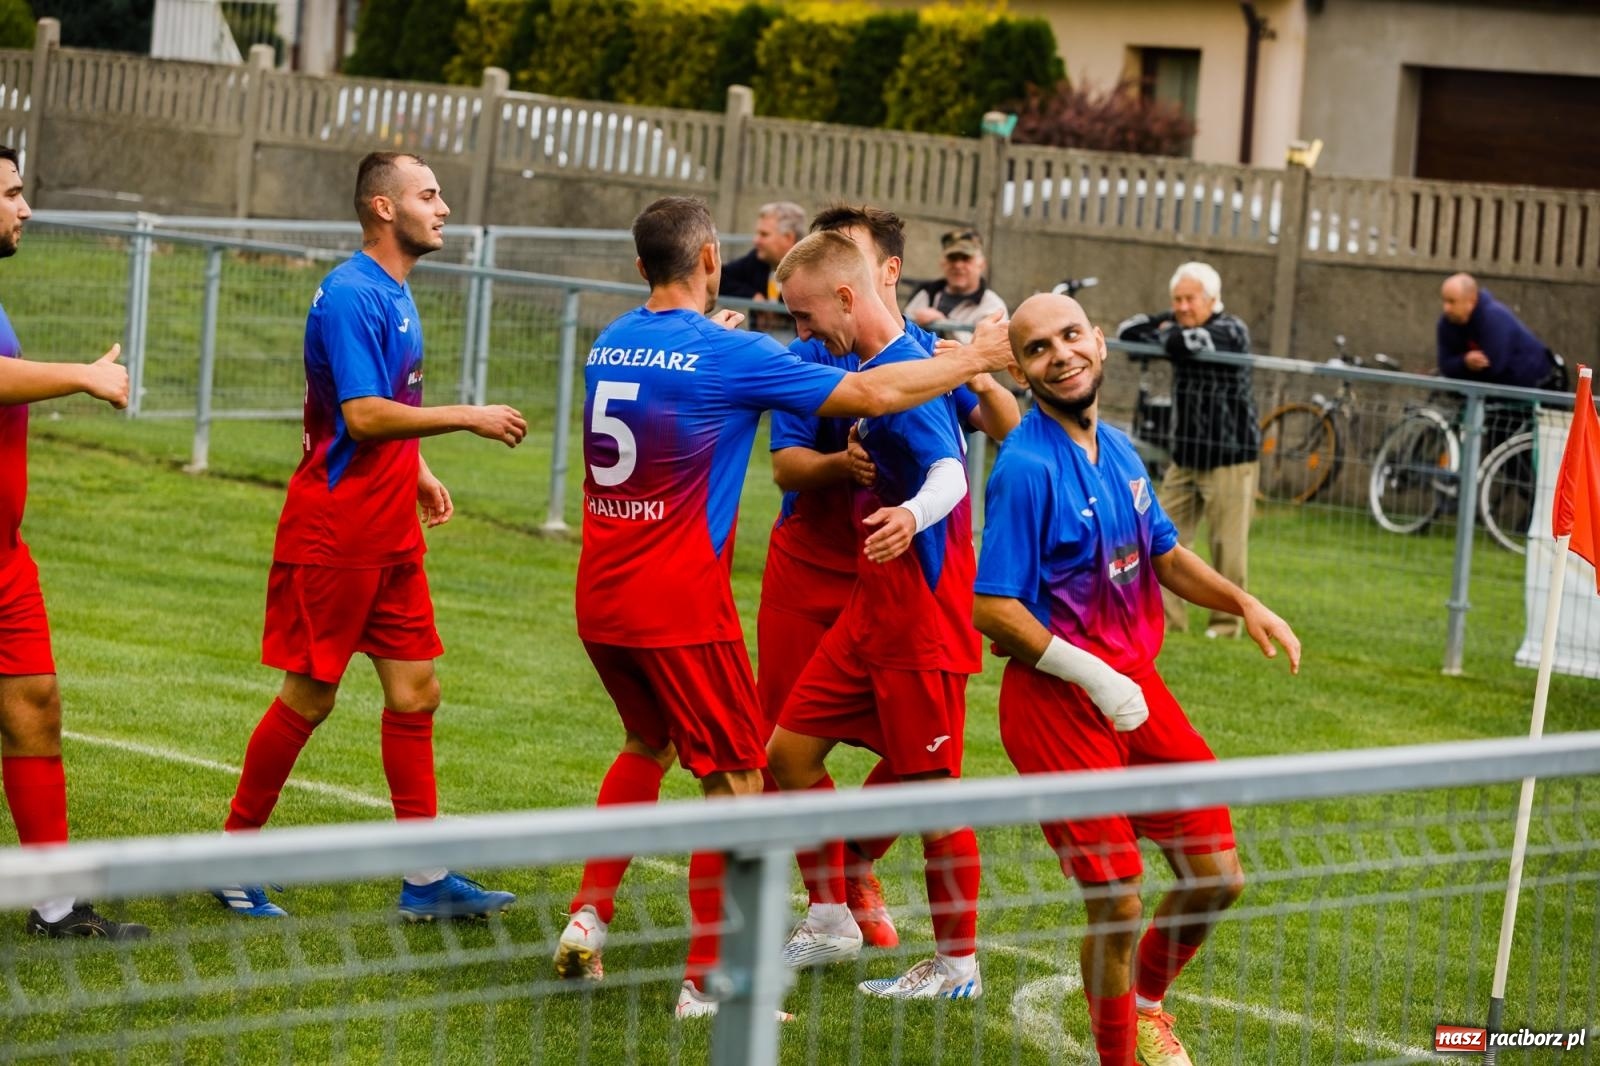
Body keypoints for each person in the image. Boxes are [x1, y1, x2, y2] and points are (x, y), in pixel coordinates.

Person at [552, 197, 1013, 1019]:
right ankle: (714, 982)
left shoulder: (612, 337)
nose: (797, 325)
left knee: (658, 744)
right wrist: (979, 354)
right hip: (683, 605)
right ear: (706, 265)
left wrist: (972, 376)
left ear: (640, 269)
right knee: (736, 781)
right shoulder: (734, 355)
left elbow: (966, 442)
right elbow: (870, 399)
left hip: (601, 598)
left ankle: (594, 911)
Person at [974, 291, 1300, 1066]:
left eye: (1072, 336)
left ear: (1100, 343)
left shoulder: (1118, 450)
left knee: (1218, 876)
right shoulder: (1024, 467)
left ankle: (1146, 1005)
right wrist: (1092, 675)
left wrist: (1244, 600)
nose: (1062, 355)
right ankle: (1119, 1054)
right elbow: (993, 609)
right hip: (1057, 707)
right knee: (1117, 901)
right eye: (1041, 348)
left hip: (1135, 693)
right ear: (1021, 370)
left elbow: (1164, 553)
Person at [213, 152, 527, 921]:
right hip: (337, 529)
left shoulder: (394, 292)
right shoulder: (355, 293)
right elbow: (359, 414)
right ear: (384, 209)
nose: (444, 206)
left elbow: (376, 409)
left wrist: (414, 469)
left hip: (387, 527)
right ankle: (229, 860)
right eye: (429, 194)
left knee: (416, 693)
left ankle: (424, 879)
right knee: (311, 696)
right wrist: (466, 416)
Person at [758, 203, 1018, 951]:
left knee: (924, 773)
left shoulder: (921, 359)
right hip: (826, 580)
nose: (802, 330)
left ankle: (916, 927)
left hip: (910, 594)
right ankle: (830, 907)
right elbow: (787, 466)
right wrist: (843, 466)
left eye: (807, 312)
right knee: (785, 750)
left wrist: (983, 370)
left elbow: (962, 457)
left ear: (874, 278)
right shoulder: (838, 358)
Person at [0, 146, 148, 941]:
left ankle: (54, 904)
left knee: (35, 708)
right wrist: (82, 376)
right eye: (12, 194)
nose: (25, 209)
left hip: (6, 561)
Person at [1116, 262, 1258, 639]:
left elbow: (1186, 343)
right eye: (1176, 299)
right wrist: (1171, 320)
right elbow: (1127, 333)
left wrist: (1169, 330)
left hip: (1230, 458)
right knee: (1157, 535)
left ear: (1212, 299)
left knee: (1227, 545)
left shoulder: (1232, 329)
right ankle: (1168, 621)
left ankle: (1227, 626)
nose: (1181, 306)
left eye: (1189, 299)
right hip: (1186, 457)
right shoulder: (1181, 321)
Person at [1437, 273, 1564, 391]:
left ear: (1471, 301)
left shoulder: (1494, 318)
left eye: (1452, 301)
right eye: (1444, 301)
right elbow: (1444, 364)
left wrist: (1458, 366)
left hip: (1538, 386)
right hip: (1501, 393)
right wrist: (1464, 362)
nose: (1446, 308)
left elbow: (1492, 368)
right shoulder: (1446, 324)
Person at [903, 229, 1008, 331]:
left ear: (982, 265)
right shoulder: (926, 294)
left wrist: (943, 324)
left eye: (966, 258)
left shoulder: (993, 307)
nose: (958, 265)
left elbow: (989, 347)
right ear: (942, 263)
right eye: (952, 258)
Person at [719, 200, 806, 301]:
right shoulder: (757, 260)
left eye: (764, 234)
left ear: (788, 238)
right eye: (757, 234)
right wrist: (753, 296)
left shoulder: (810, 273)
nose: (756, 240)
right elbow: (719, 279)